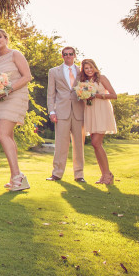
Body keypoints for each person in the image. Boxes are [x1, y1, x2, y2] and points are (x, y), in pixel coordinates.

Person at [0, 28, 32, 191]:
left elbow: (27, 77)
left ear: (6, 39)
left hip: (16, 96)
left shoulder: (15, 54)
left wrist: (8, 90)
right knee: (9, 136)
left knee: (0, 133)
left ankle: (18, 177)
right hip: (2, 100)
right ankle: (13, 176)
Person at [46, 46, 85, 182]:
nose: (68, 56)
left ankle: (79, 175)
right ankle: (56, 173)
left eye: (70, 54)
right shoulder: (53, 71)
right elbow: (51, 93)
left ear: (75, 55)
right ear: (62, 56)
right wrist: (51, 111)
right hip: (61, 111)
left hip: (79, 111)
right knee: (61, 144)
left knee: (79, 144)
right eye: (65, 54)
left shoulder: (82, 71)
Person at [79, 59, 118, 185]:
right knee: (95, 145)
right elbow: (83, 97)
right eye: (86, 68)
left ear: (94, 67)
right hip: (91, 112)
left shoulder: (102, 78)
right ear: (83, 70)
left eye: (90, 67)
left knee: (96, 143)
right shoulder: (84, 82)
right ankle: (105, 174)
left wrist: (98, 95)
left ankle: (107, 175)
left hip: (102, 111)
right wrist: (85, 96)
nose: (89, 70)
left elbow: (114, 95)